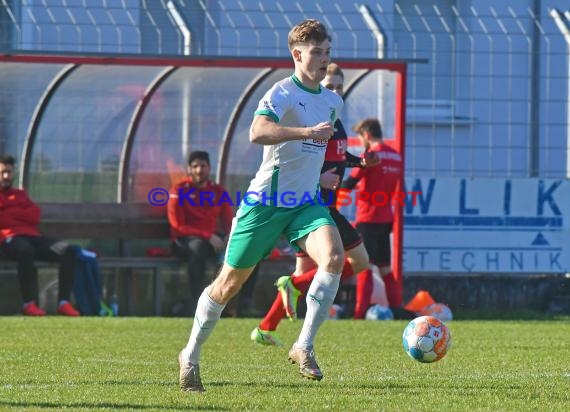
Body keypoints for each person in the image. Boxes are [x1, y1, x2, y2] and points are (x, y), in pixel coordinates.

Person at [178, 19, 344, 392]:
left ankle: (304, 345)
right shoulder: (282, 93)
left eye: (327, 52)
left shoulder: (333, 101)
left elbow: (311, 155)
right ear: (297, 54)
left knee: (333, 259)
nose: (324, 60)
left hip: (304, 203)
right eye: (317, 52)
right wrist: (305, 132)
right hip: (266, 204)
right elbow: (257, 132)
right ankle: (189, 356)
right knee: (227, 286)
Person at [250, 62, 379, 347]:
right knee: (359, 261)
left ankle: (265, 328)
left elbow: (335, 157)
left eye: (339, 86)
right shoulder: (313, 117)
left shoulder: (335, 115)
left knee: (303, 274)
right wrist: (319, 177)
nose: (334, 90)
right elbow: (301, 153)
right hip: (316, 207)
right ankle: (292, 289)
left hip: (317, 206)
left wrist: (360, 162)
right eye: (330, 85)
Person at [341, 118, 407, 318]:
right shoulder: (396, 157)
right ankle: (396, 308)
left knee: (364, 266)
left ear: (367, 135)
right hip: (386, 218)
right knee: (385, 267)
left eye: (361, 137)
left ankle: (360, 313)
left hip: (367, 218)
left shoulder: (370, 156)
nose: (362, 142)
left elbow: (349, 183)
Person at [0, 154, 80, 317]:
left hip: (32, 236)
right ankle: (29, 303)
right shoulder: (19, 200)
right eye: (2, 172)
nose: (6, 176)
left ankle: (63, 303)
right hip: (8, 239)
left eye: (9, 172)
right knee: (25, 250)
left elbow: (35, 215)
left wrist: (9, 212)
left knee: (68, 250)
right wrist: (19, 212)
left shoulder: (21, 194)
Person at [167, 151, 234, 316]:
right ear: (189, 169)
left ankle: (236, 306)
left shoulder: (218, 191)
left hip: (211, 243)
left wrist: (229, 237)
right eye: (195, 166)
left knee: (245, 251)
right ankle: (198, 304)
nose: (199, 170)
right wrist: (208, 236)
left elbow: (228, 221)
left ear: (209, 168)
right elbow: (177, 226)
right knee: (198, 249)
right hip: (183, 242)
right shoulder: (179, 190)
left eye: (202, 166)